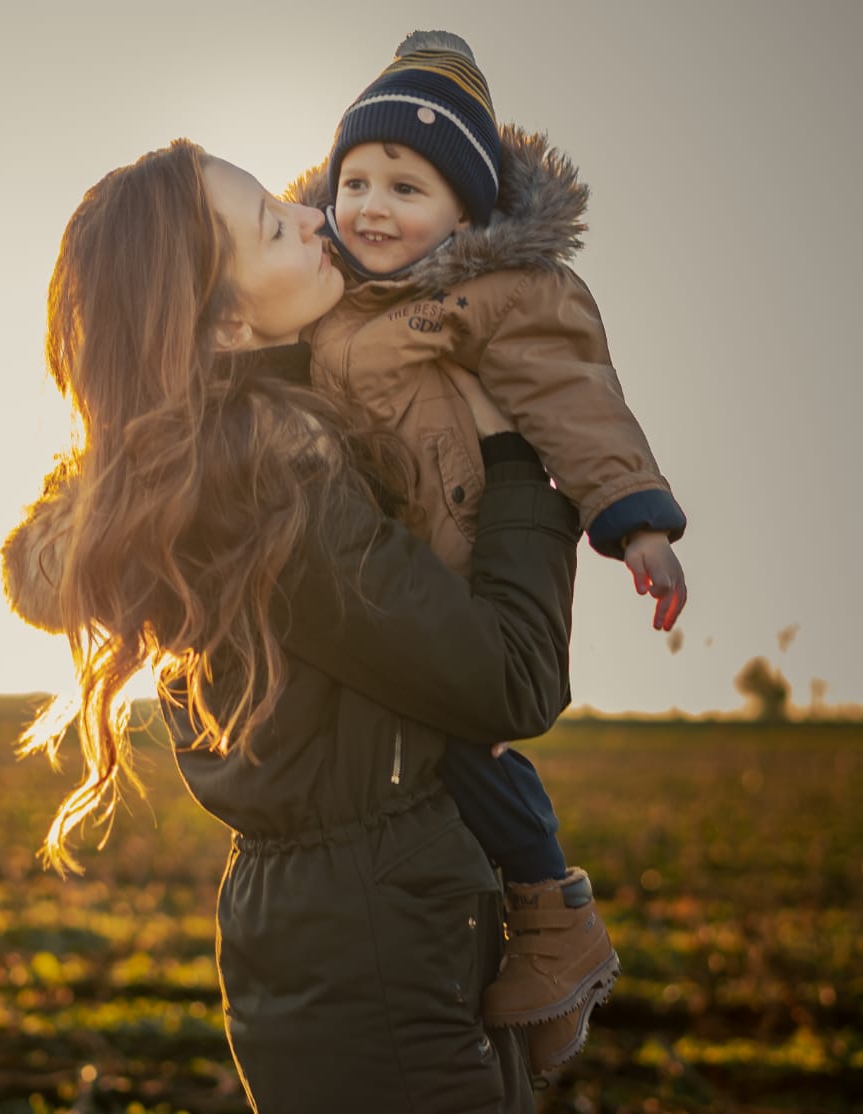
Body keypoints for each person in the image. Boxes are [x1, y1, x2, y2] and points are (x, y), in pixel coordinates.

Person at [1, 138, 581, 1111]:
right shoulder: (274, 493)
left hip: (335, 929)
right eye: (274, 224)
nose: (313, 217)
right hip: (380, 950)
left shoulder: (213, 472)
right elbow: (511, 678)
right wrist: (520, 466)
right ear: (225, 322)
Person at [282, 30, 690, 1068]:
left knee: (471, 743)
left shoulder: (502, 293)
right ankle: (532, 942)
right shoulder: (323, 292)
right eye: (355, 179)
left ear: (465, 211)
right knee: (418, 752)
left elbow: (573, 397)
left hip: (455, 563)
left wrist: (634, 516)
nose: (370, 205)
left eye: (405, 187)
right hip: (369, 570)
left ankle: (555, 912)